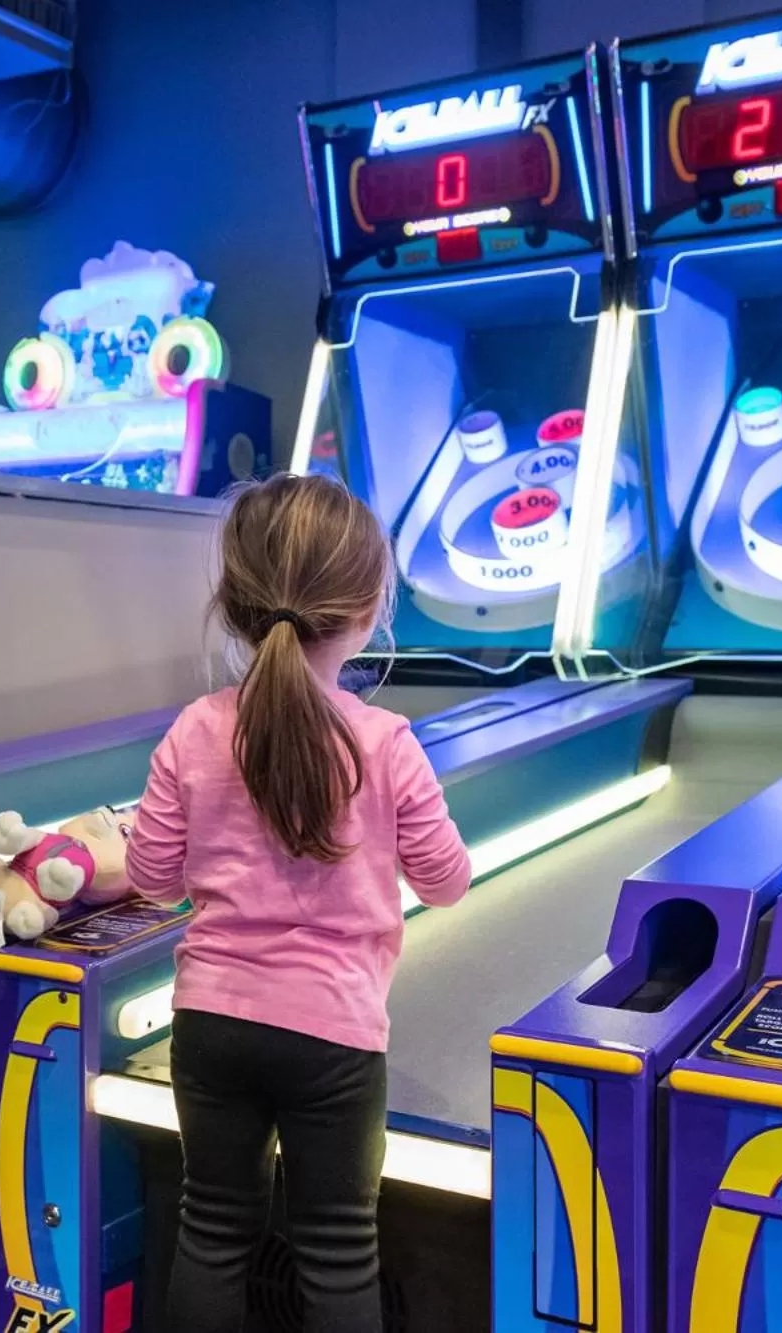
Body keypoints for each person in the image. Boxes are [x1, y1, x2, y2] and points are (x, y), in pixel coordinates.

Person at [125, 473, 474, 1332]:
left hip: (210, 1026)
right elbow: (446, 879)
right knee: (336, 1246)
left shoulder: (194, 730)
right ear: (367, 609)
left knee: (209, 1230)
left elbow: (151, 877)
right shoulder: (385, 742)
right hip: (334, 1037)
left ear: (237, 603)